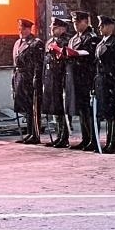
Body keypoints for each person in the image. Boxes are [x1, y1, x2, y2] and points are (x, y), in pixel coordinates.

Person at [67, 11, 100, 151]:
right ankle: (85, 138)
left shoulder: (91, 37)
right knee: (81, 110)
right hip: (76, 78)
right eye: (74, 23)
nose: (75, 25)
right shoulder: (73, 39)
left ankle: (93, 139)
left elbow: (91, 56)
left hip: (86, 77)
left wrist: (77, 55)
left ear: (85, 22)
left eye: (78, 22)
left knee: (89, 111)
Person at [94, 15, 115, 152]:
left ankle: (113, 142)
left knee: (113, 115)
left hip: (112, 84)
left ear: (110, 27)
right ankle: (108, 142)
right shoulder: (101, 44)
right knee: (106, 114)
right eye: (100, 25)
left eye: (102, 26)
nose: (99, 28)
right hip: (102, 83)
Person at [41, 15, 75, 148]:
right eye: (52, 27)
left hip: (61, 78)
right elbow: (46, 61)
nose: (51, 29)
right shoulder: (49, 41)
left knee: (61, 109)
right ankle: (58, 135)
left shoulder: (66, 41)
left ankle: (64, 136)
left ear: (62, 29)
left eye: (54, 27)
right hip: (51, 78)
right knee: (54, 108)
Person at [11, 17, 44, 144]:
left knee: (33, 107)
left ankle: (35, 134)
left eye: (24, 29)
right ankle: (29, 133)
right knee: (25, 106)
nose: (21, 31)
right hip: (20, 77)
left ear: (29, 29)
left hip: (30, 77)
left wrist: (37, 78)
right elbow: (14, 63)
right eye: (20, 28)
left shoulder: (36, 43)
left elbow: (38, 63)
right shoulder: (17, 43)